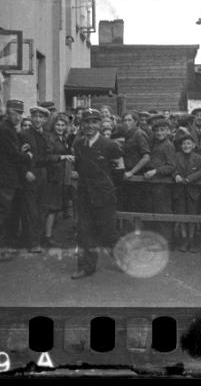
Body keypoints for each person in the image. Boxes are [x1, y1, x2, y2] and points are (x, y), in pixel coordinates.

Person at [71, 108, 125, 279]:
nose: (90, 126)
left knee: (108, 233)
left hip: (104, 197)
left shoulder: (110, 145)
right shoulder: (78, 144)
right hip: (85, 196)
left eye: (94, 122)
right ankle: (86, 267)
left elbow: (119, 172)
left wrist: (108, 189)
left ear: (100, 124)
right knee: (84, 232)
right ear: (82, 124)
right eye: (86, 122)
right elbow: (79, 168)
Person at [0, 100, 33, 262]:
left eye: (21, 113)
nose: (19, 117)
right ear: (8, 112)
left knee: (2, 213)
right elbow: (13, 155)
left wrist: (20, 150)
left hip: (4, 178)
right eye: (15, 113)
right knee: (1, 213)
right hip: (2, 179)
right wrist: (27, 155)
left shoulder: (6, 128)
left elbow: (8, 152)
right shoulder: (6, 130)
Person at [19, 105, 52, 252]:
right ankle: (32, 243)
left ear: (45, 119)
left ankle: (37, 239)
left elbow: (47, 155)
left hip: (43, 173)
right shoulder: (24, 134)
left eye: (41, 117)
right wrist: (25, 171)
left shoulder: (46, 135)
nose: (37, 120)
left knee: (41, 207)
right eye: (35, 116)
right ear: (31, 118)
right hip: (31, 174)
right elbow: (18, 157)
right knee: (30, 209)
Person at [43, 113, 75, 247]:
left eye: (62, 125)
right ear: (53, 125)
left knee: (56, 208)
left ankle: (49, 235)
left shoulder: (63, 139)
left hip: (61, 177)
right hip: (53, 177)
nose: (60, 127)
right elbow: (47, 157)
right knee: (52, 208)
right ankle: (47, 237)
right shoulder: (51, 139)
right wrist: (63, 157)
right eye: (58, 125)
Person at [143, 118, 177, 243]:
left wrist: (156, 171)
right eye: (156, 131)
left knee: (163, 214)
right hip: (153, 184)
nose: (159, 133)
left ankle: (166, 242)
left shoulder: (168, 145)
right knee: (152, 213)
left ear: (168, 131)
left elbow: (172, 166)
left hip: (163, 185)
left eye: (162, 130)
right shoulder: (155, 143)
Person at [173, 134, 201, 252]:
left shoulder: (198, 158)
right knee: (182, 215)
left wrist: (190, 178)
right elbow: (172, 168)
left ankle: (192, 239)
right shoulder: (176, 156)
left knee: (192, 215)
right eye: (184, 144)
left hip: (193, 191)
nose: (186, 146)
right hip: (179, 191)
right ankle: (184, 239)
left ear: (193, 145)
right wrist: (176, 175)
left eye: (188, 143)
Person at [121, 112, 151, 211]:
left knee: (137, 205)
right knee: (128, 204)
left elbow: (146, 157)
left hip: (138, 175)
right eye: (124, 120)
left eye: (129, 120)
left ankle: (138, 226)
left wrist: (132, 172)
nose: (126, 123)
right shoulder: (127, 135)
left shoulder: (139, 134)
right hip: (128, 174)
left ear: (136, 122)